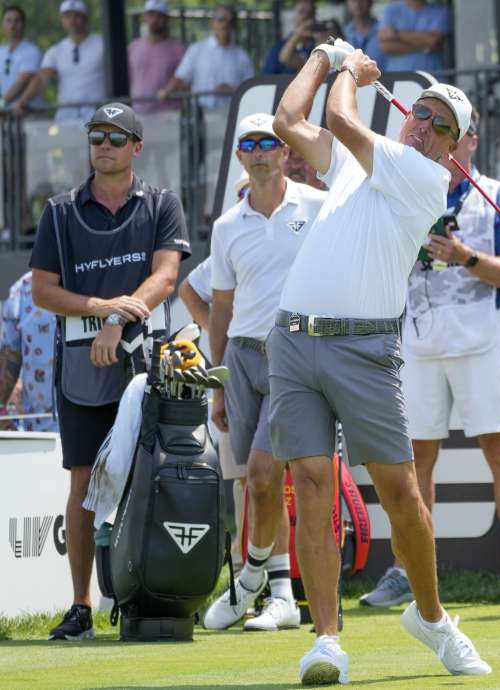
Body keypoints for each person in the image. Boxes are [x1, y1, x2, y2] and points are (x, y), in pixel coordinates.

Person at [272, 43, 489, 680]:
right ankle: (326, 642)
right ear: (405, 114)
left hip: (365, 349)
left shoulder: (425, 178)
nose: (424, 125)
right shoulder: (356, 159)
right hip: (293, 340)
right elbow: (288, 120)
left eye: (440, 125)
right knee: (313, 488)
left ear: (453, 147)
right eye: (420, 112)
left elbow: (340, 119)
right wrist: (320, 56)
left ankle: (432, 618)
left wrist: (351, 72)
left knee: (401, 493)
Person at [30, 102, 189, 640]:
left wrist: (117, 322)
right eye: (97, 135)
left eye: (117, 137)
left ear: (136, 147)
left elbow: (165, 278)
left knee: (159, 473)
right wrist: (102, 309)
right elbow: (43, 290)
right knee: (84, 482)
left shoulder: (162, 203)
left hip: (148, 364)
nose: (105, 145)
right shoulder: (59, 211)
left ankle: (159, 592)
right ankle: (81, 608)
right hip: (83, 365)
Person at [379, 111, 500, 610]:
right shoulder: (407, 194)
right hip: (420, 342)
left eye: (456, 134)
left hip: (480, 340)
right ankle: (406, 572)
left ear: (472, 141)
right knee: (416, 459)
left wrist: (463, 256)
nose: (447, 144)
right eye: (438, 132)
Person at [201, 114, 328, 633]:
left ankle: (250, 577)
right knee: (260, 484)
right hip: (241, 357)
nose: (258, 153)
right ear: (240, 156)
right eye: (249, 145)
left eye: (267, 143)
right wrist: (218, 384)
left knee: (261, 473)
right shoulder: (226, 226)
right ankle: (281, 596)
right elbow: (221, 308)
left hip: (293, 356)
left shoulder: (317, 206)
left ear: (285, 151)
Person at [177, 257, 243, 566]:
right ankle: (246, 568)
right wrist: (219, 329)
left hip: (293, 363)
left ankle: (286, 574)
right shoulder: (233, 238)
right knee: (247, 479)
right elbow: (188, 289)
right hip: (239, 370)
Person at [11, 1, 106, 122]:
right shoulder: (56, 50)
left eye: (77, 16)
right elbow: (41, 79)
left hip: (98, 118)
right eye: (67, 16)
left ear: (85, 18)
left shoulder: (102, 44)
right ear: (62, 20)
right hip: (65, 118)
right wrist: (24, 99)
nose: (72, 20)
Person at [159, 4, 255, 110]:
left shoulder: (242, 56)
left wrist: (234, 90)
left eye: (230, 21)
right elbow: (181, 77)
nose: (225, 24)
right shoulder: (196, 50)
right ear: (212, 22)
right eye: (221, 19)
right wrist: (167, 91)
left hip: (230, 114)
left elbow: (251, 90)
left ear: (234, 26)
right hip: (200, 115)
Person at [0, 271, 57, 431]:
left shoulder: (96, 278)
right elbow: (9, 354)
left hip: (98, 422)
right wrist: (0, 410)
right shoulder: (23, 288)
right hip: (40, 428)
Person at [128, 0, 185, 114]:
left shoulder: (179, 49)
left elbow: (186, 82)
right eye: (151, 15)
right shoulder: (133, 47)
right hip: (137, 114)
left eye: (159, 16)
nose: (155, 20)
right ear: (145, 17)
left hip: (169, 115)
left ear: (167, 18)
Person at [379, 0, 450, 74]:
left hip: (432, 76)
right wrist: (425, 47)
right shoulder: (392, 10)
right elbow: (386, 46)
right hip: (398, 76)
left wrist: (396, 33)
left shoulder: (440, 10)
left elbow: (432, 40)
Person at [0, 6, 43, 111]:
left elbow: (22, 82)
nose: (12, 25)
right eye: (8, 21)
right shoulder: (1, 51)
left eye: (17, 21)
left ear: (24, 24)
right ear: (2, 25)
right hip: (6, 114)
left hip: (29, 114)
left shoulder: (32, 51)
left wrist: (1, 104)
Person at [263, 0, 318, 75]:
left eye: (310, 13)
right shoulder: (278, 48)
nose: (305, 17)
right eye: (302, 12)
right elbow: (267, 76)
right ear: (294, 17)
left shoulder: (319, 44)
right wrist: (297, 34)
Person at [344, 0, 385, 67]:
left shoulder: (384, 29)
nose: (357, 4)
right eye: (353, 0)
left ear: (370, 2)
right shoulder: (345, 33)